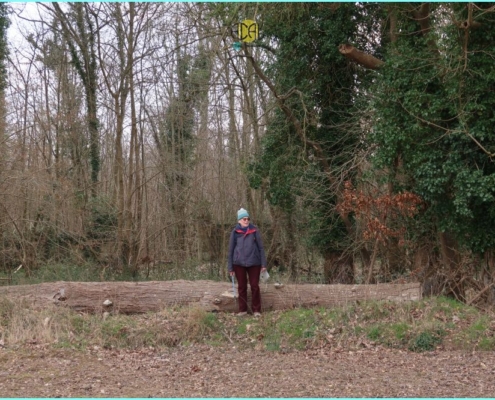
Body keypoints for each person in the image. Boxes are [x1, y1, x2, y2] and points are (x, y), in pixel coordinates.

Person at [228, 207, 267, 317]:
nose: (246, 221)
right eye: (244, 219)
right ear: (239, 220)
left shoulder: (255, 231)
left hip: (254, 262)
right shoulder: (235, 232)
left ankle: (256, 310)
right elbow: (230, 251)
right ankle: (243, 310)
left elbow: (261, 248)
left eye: (248, 219)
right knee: (242, 287)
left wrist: (263, 264)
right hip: (238, 264)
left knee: (254, 286)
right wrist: (230, 267)